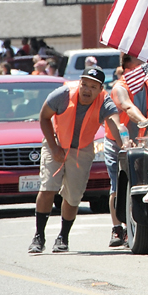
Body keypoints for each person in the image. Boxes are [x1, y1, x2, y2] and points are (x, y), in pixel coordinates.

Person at [28, 67, 122, 254]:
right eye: (84, 84)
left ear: (100, 89)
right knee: (48, 188)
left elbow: (115, 123)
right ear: (79, 82)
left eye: (93, 87)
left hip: (82, 149)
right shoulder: (63, 94)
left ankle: (63, 236)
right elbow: (44, 117)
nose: (87, 90)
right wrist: (54, 148)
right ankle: (39, 236)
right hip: (55, 142)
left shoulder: (105, 102)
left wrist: (124, 143)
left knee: (73, 196)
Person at [104, 55, 148, 247]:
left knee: (138, 184)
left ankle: (135, 225)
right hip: (117, 141)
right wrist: (146, 121)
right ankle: (117, 228)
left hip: (141, 142)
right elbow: (128, 107)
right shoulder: (120, 87)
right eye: (140, 62)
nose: (145, 65)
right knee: (117, 185)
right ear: (127, 65)